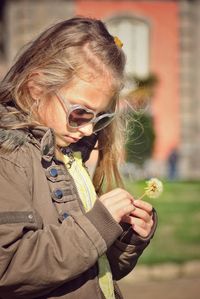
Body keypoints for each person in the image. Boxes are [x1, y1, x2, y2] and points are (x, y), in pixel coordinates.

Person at [0, 17, 157, 299]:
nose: (87, 130)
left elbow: (93, 269)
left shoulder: (69, 156)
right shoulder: (10, 158)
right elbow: (7, 269)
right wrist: (96, 225)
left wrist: (125, 236)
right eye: (80, 113)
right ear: (36, 88)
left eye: (100, 119)